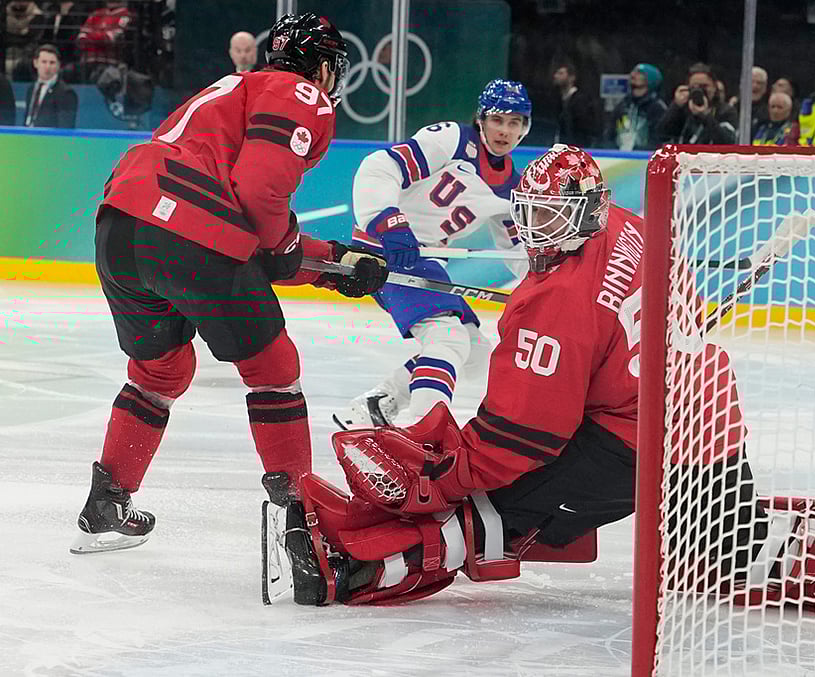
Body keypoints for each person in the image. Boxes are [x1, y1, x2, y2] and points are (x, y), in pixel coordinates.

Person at [270, 145, 815, 622]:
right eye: (530, 214)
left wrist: (443, 478)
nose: (536, 232)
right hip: (701, 413)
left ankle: (351, 566)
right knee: (726, 553)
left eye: (550, 217)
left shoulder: (557, 302)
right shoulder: (631, 225)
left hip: (638, 441)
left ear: (584, 211)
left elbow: (521, 439)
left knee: (491, 513)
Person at [71, 13, 388, 607]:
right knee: (274, 368)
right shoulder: (300, 92)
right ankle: (304, 533)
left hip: (120, 225)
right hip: (184, 226)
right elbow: (260, 196)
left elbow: (244, 227)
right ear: (322, 66)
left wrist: (331, 263)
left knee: (161, 370)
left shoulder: (234, 88)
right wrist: (306, 258)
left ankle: (106, 501)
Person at [333, 79, 530, 430]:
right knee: (448, 339)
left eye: (514, 122)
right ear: (481, 119)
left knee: (475, 354)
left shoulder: (512, 190)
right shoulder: (453, 139)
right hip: (384, 249)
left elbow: (517, 251)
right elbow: (379, 166)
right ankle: (422, 433)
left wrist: (545, 289)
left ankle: (378, 404)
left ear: (524, 129)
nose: (504, 130)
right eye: (498, 119)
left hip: (424, 262)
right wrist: (389, 223)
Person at [659, 62, 737, 145]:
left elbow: (728, 141)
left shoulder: (726, 111)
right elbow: (661, 134)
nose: (700, 90)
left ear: (714, 87)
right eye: (694, 87)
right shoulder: (683, 109)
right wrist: (676, 105)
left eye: (704, 86)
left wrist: (706, 116)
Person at [605, 63, 667, 151]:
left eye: (640, 73)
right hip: (619, 155)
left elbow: (658, 137)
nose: (633, 75)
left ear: (650, 79)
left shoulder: (657, 107)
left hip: (644, 156)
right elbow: (610, 131)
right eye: (633, 71)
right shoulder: (623, 104)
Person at [24, 44, 77, 128]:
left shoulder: (66, 93)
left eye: (52, 63)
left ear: (58, 65)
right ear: (35, 63)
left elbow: (65, 127)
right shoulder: (31, 89)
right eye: (44, 62)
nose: (47, 67)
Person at [552, 62, 598, 147]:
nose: (556, 76)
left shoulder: (581, 101)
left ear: (571, 78)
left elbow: (585, 128)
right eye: (556, 73)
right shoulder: (557, 100)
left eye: (561, 73)